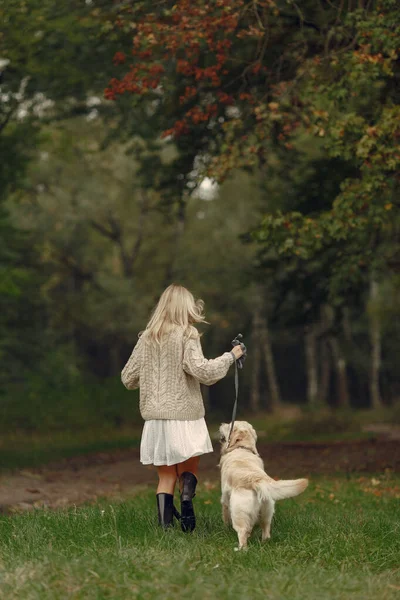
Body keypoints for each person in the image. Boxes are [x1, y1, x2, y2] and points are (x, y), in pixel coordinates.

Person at [121, 284, 244, 532]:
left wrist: (153, 372)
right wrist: (231, 356)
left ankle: (165, 530)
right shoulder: (187, 334)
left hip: (156, 419)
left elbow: (128, 378)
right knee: (187, 471)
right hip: (186, 416)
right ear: (186, 308)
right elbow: (202, 371)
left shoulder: (146, 338)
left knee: (165, 476)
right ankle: (186, 497)